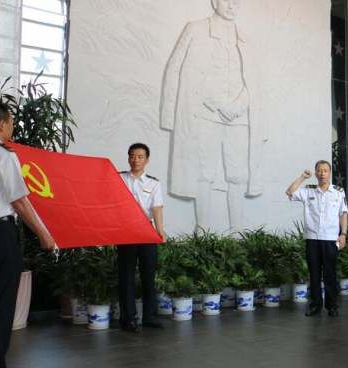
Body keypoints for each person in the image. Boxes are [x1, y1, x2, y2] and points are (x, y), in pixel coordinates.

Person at [160, 0, 266, 231]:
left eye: (237, 1)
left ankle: (237, 229)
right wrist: (169, 114)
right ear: (214, 2)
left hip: (239, 117)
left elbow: (255, 82)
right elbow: (179, 69)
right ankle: (203, 228)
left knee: (237, 173)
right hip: (205, 114)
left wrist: (238, 106)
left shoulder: (246, 37)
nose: (232, 5)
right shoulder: (195, 29)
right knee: (204, 172)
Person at [0, 102, 56, 368]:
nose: (13, 126)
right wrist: (44, 233)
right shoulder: (2, 155)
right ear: (2, 124)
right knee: (0, 303)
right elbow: (18, 200)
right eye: (11, 121)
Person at [286, 160, 348, 317]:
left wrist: (343, 234)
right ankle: (315, 305)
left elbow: (343, 214)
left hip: (330, 239)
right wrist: (302, 177)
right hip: (312, 238)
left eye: (325, 170)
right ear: (316, 173)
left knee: (330, 274)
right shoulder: (308, 191)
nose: (322, 173)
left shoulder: (339, 192)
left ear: (330, 173)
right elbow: (290, 192)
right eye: (319, 171)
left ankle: (332, 305)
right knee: (314, 274)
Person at [117, 143, 166, 332]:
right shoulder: (119, 179)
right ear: (128, 158)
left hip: (147, 231)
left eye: (140, 156)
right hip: (125, 231)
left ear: (147, 160)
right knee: (126, 277)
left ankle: (150, 317)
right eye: (132, 156)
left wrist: (160, 231)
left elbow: (157, 207)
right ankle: (128, 319)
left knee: (148, 276)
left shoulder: (153, 183)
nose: (135, 160)